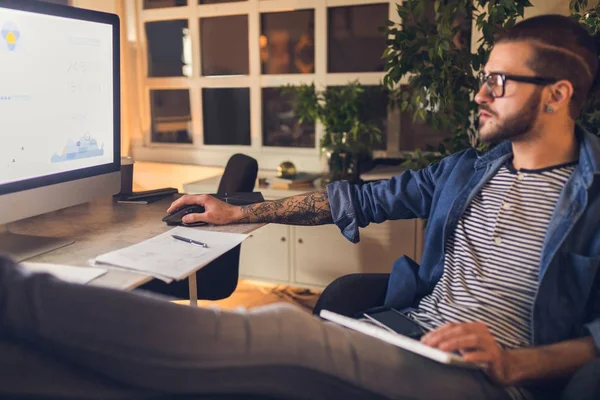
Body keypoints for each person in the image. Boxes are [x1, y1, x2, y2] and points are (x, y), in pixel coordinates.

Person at [0, 14, 597, 400]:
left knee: (279, 334)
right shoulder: (469, 169)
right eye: (484, 78)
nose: (480, 93)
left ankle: (14, 295)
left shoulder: (591, 196)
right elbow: (360, 198)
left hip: (485, 378)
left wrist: (516, 366)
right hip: (406, 335)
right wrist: (241, 214)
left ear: (557, 95)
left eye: (500, 81)